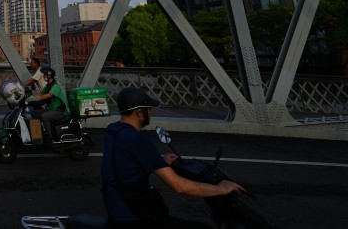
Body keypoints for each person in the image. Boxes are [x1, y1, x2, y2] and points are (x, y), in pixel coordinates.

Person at [101, 87, 245, 228]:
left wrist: (159, 161)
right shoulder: (137, 139)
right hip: (134, 216)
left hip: (116, 209)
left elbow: (123, 167)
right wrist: (220, 188)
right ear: (139, 112)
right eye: (149, 109)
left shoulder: (113, 131)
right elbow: (180, 187)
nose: (151, 113)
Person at [28, 67, 69, 144]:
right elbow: (41, 93)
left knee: (45, 116)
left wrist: (37, 98)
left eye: (44, 75)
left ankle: (50, 138)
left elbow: (49, 95)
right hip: (51, 109)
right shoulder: (48, 86)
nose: (43, 77)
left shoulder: (56, 85)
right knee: (34, 113)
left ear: (49, 76)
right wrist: (30, 98)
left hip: (60, 111)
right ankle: (39, 135)